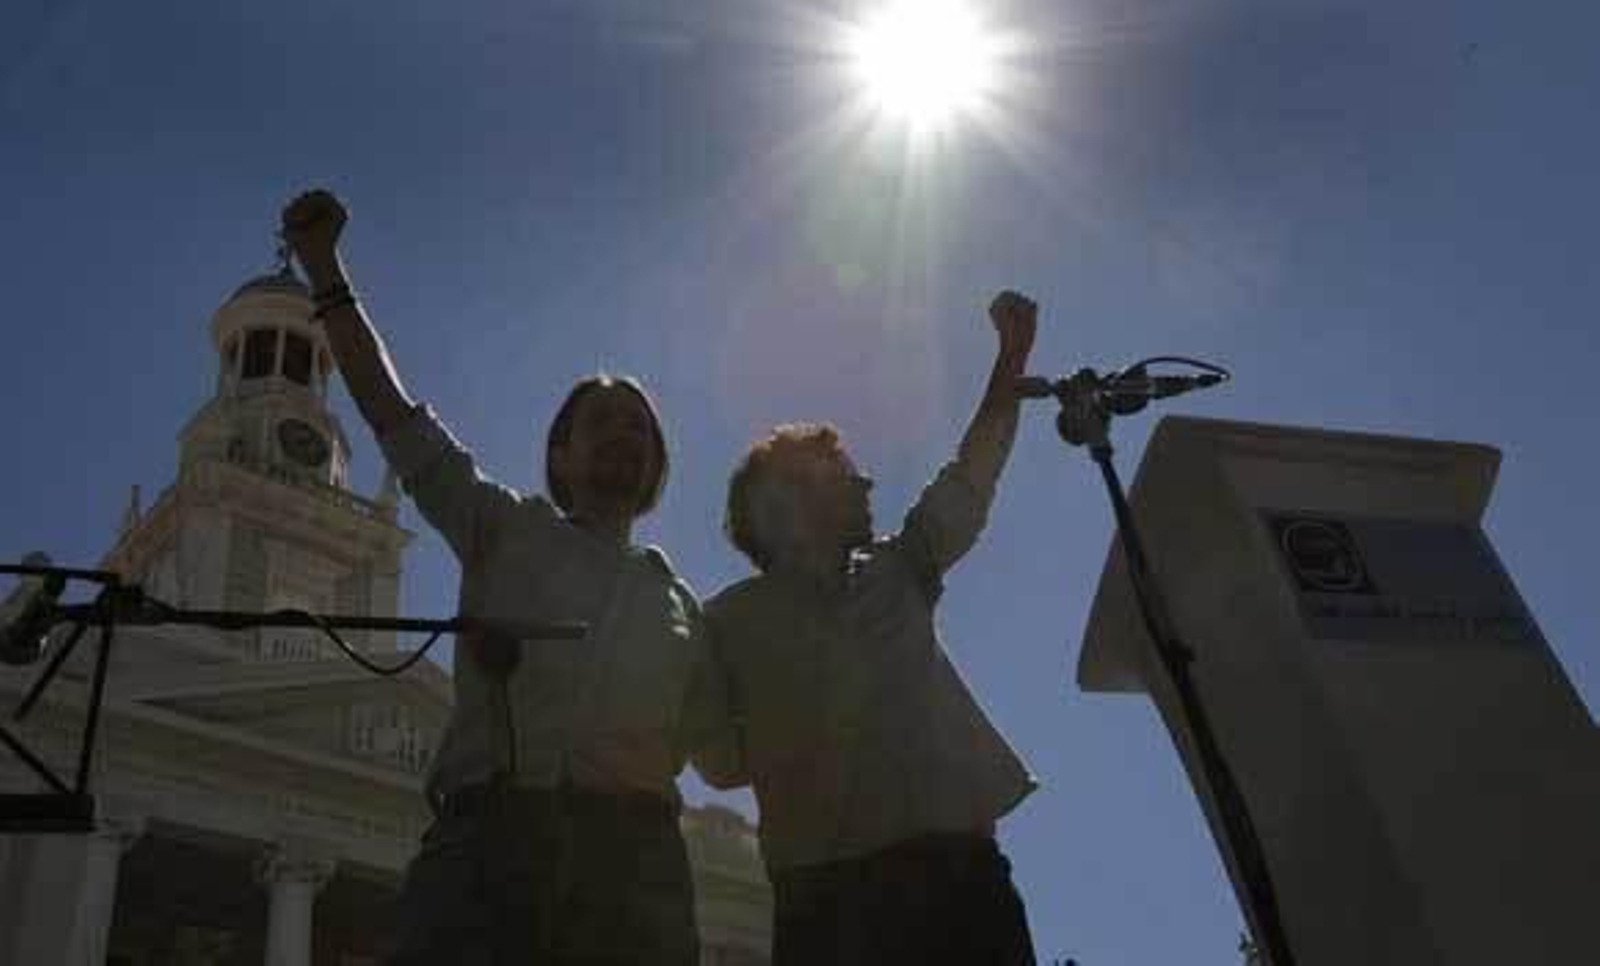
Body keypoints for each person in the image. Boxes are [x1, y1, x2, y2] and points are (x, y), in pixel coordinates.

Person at [279, 189, 731, 965]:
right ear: (559, 456)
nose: (625, 433)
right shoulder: (503, 527)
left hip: (635, 870)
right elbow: (395, 417)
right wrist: (324, 269)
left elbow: (725, 754)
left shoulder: (683, 604)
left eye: (641, 428)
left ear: (658, 467)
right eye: (604, 421)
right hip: (488, 847)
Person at [702, 290, 1043, 965]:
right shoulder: (726, 622)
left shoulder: (900, 566)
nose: (867, 489)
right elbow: (718, 762)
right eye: (847, 478)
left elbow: (970, 479)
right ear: (788, 503)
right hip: (831, 902)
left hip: (965, 880)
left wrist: (1012, 359)